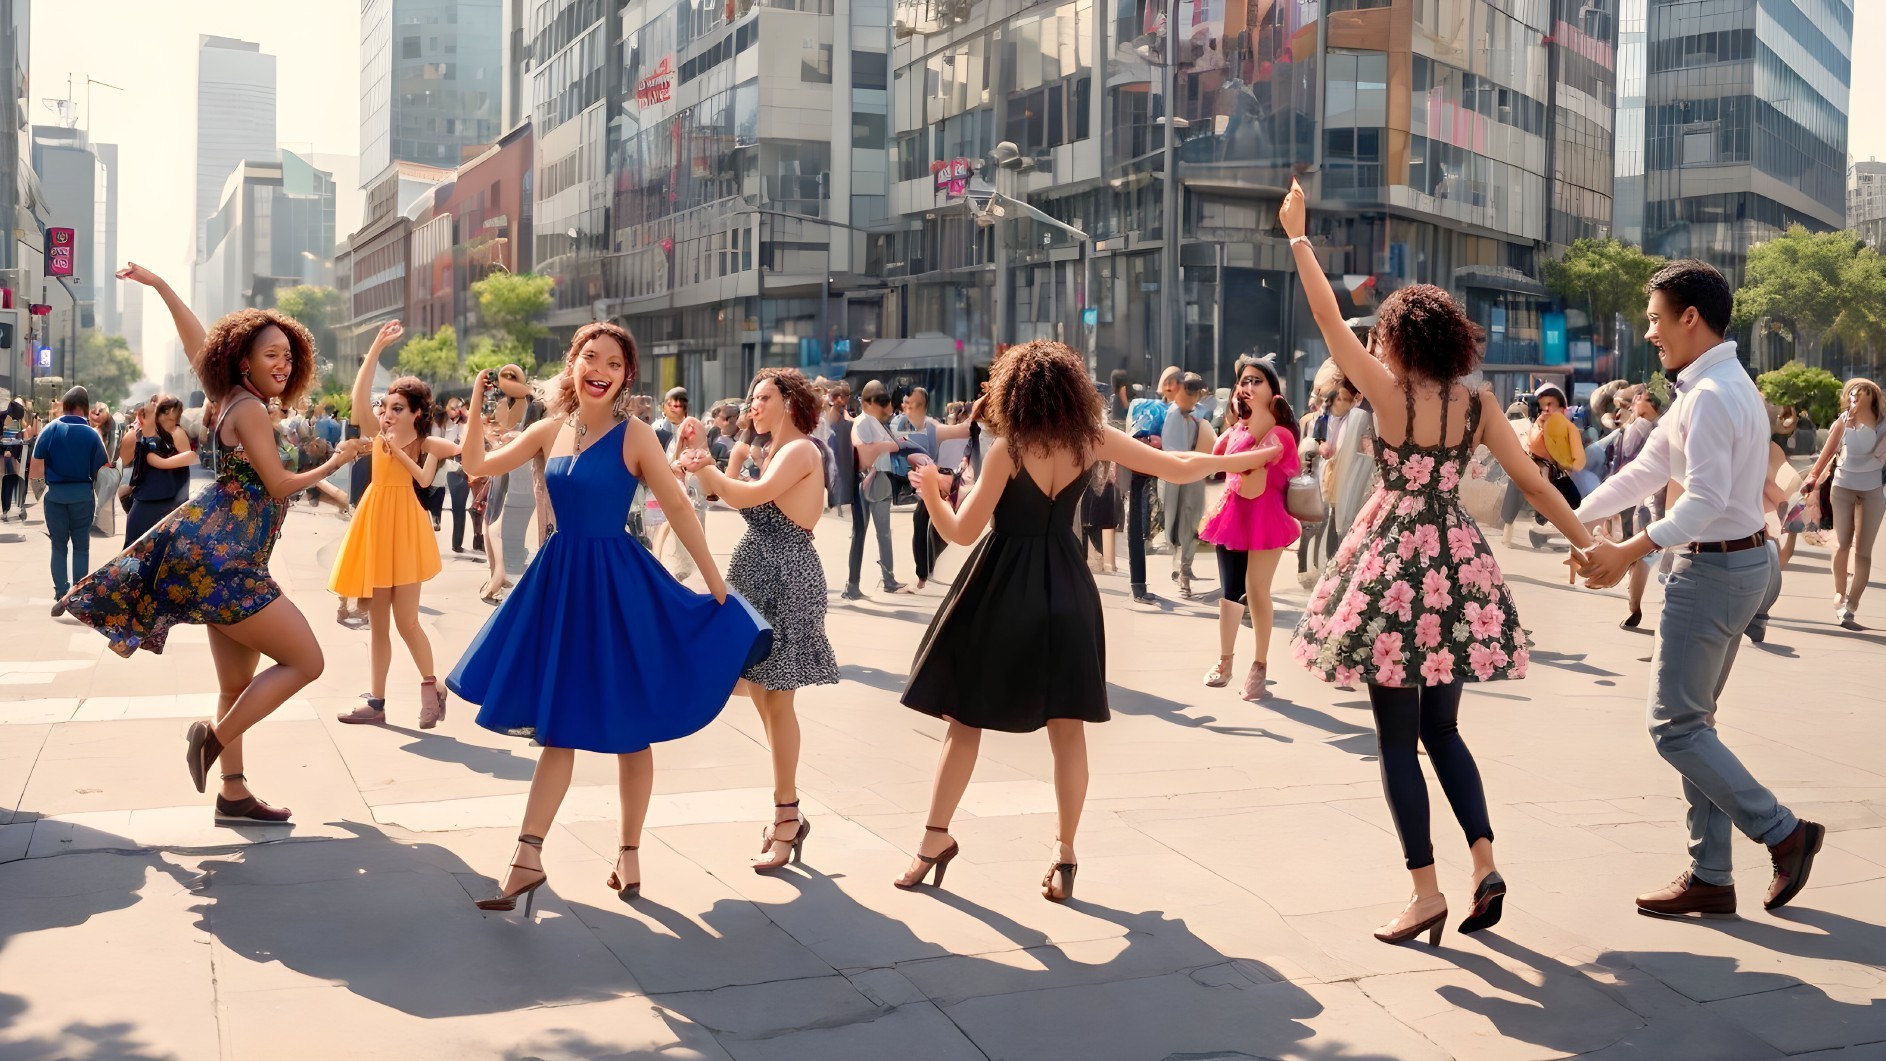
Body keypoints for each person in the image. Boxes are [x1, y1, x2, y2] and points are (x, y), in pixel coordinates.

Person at [1280, 180, 1596, 946]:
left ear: (1395, 340)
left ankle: (1425, 890)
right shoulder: (1480, 405)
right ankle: (1483, 859)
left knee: (1397, 739)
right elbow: (1531, 482)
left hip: (1393, 559)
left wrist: (1298, 236)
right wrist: (1592, 543)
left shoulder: (1390, 395)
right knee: (1445, 731)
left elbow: (1327, 317)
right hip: (1455, 564)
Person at [892, 341, 1272, 901]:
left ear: (1013, 393)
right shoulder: (1089, 441)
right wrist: (1241, 460)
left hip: (1000, 586)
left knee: (964, 719)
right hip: (1068, 584)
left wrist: (930, 494)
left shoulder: (1010, 450)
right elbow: (1180, 465)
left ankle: (933, 840)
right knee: (1067, 728)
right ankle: (1065, 853)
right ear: (1070, 390)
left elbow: (961, 533)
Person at [448, 323, 766, 913]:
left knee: (630, 727)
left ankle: (629, 853)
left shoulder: (636, 434)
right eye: (590, 357)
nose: (600, 368)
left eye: (614, 363)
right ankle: (527, 858)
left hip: (618, 584)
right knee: (559, 726)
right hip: (561, 584)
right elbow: (475, 463)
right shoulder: (549, 430)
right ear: (572, 366)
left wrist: (717, 588)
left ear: (625, 376)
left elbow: (677, 506)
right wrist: (478, 399)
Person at [59, 262, 366, 823]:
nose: (283, 363)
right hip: (226, 559)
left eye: (289, 355)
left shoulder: (225, 395)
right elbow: (277, 483)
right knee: (307, 661)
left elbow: (194, 338)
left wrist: (159, 286)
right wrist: (341, 459)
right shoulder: (247, 407)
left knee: (236, 683)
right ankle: (212, 739)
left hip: (219, 552)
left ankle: (233, 793)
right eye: (271, 354)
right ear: (244, 359)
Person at [1573, 258, 1824, 921]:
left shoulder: (1710, 396)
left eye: (1655, 318)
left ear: (1690, 318)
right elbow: (1649, 469)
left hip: (1712, 569)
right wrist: (1580, 521)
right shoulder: (1708, 387)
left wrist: (1629, 546)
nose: (1650, 331)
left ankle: (1783, 831)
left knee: (1673, 727)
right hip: (1738, 564)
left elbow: (1703, 502)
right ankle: (1711, 874)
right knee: (1694, 723)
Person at [681, 369, 840, 872]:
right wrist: (702, 456)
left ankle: (787, 815)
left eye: (763, 397)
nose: (754, 406)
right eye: (751, 398)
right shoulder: (773, 451)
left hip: (787, 575)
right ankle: (787, 810)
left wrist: (706, 463)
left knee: (776, 700)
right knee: (765, 698)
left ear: (790, 402)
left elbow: (743, 496)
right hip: (760, 573)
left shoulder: (800, 451)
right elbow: (719, 493)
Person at [331, 321, 460, 728]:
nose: (386, 415)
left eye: (396, 409)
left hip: (405, 529)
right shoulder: (375, 432)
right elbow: (356, 401)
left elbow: (454, 456)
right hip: (376, 523)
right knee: (379, 624)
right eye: (385, 408)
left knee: (407, 622)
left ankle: (431, 688)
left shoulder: (426, 444)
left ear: (417, 413)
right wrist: (375, 347)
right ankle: (377, 701)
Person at [1199, 355, 1297, 699]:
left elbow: (1242, 459)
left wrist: (1254, 419)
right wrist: (1232, 420)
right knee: (1229, 594)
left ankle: (1259, 665)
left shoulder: (1279, 433)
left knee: (1256, 592)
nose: (1249, 387)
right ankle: (1225, 662)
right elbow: (1214, 458)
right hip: (1231, 516)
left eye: (1257, 380)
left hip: (1266, 522)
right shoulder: (1238, 429)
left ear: (1273, 389)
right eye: (1245, 381)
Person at [1801, 378, 1886, 628]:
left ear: (1873, 397)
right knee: (1843, 543)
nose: (1855, 399)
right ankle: (1839, 592)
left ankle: (1853, 601)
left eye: (1861, 394)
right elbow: (1826, 453)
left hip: (1872, 491)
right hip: (1843, 487)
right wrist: (1812, 478)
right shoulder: (1842, 422)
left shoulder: (1883, 426)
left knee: (1863, 551)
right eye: (1852, 395)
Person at [32, 387, 111, 597]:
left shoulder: (49, 430)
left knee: (58, 547)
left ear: (64, 407)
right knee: (81, 547)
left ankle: (60, 592)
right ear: (85, 409)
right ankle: (77, 594)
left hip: (55, 496)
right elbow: (102, 469)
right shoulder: (92, 435)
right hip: (82, 496)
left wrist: (39, 489)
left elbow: (36, 465)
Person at [892, 387, 973, 589]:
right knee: (920, 523)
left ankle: (927, 571)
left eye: (917, 404)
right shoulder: (897, 424)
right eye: (908, 403)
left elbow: (964, 430)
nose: (911, 408)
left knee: (935, 526)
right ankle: (922, 575)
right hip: (917, 484)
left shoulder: (932, 426)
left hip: (935, 483)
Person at [844, 379, 904, 598]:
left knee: (881, 533)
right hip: (871, 479)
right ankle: (854, 584)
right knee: (866, 533)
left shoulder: (875, 422)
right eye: (880, 400)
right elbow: (866, 453)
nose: (884, 406)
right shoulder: (863, 423)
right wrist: (869, 474)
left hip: (877, 479)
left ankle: (885, 579)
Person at [478, 364, 533, 602]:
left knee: (495, 526)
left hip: (517, 474)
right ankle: (496, 574)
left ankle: (499, 574)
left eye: (512, 377)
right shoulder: (513, 403)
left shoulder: (530, 404)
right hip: (504, 470)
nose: (507, 381)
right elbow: (495, 433)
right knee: (490, 524)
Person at [1160, 373, 1217, 598]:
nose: (1193, 397)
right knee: (1176, 522)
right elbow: (1170, 447)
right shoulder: (1173, 413)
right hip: (1177, 477)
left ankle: (1185, 568)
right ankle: (1180, 568)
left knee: (1192, 522)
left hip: (1194, 476)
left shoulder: (1199, 414)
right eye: (1191, 391)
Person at [122, 394, 199, 547]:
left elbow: (190, 458)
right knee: (135, 545)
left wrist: (161, 462)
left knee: (158, 547)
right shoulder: (144, 432)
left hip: (167, 500)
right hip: (147, 496)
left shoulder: (176, 432)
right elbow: (127, 459)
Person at [439, 396, 482, 554]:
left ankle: (479, 539)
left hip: (476, 469)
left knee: (479, 507)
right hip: (456, 469)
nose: (457, 413)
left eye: (459, 408)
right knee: (458, 507)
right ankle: (456, 543)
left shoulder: (475, 423)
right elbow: (448, 447)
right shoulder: (449, 427)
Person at [88, 403, 122, 539]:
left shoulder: (113, 426)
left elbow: (112, 449)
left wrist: (109, 462)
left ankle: (102, 525)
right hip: (92, 464)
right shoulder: (88, 427)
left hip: (108, 465)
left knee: (107, 486)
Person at [1, 398, 31, 522]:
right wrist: (7, 449)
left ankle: (10, 508)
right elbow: (9, 436)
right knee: (10, 479)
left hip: (14, 455)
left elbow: (12, 435)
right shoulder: (7, 419)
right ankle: (8, 508)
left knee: (12, 479)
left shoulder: (10, 418)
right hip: (8, 456)